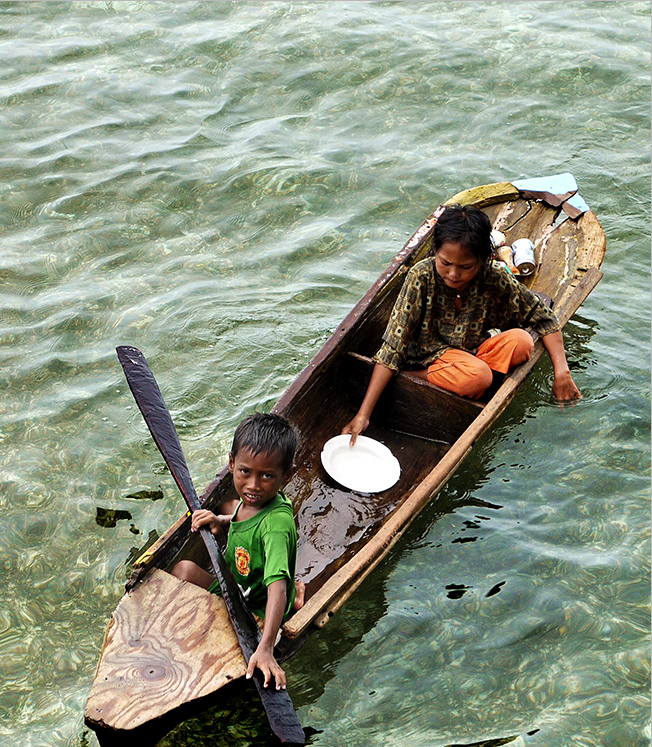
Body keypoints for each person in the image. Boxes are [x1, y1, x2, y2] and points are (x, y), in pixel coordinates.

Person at [343, 203, 581, 445]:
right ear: (435, 251)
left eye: (465, 267)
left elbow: (543, 317)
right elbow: (393, 346)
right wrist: (363, 415)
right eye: (445, 263)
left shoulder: (493, 277)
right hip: (425, 359)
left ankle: (467, 378)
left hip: (469, 355)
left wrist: (561, 372)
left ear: (483, 260)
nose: (454, 274)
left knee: (521, 341)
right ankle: (410, 376)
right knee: (478, 377)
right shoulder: (421, 277)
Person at [172, 412, 305, 690]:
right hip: (235, 587)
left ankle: (294, 600)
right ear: (231, 463)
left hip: (256, 608)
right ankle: (296, 594)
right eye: (245, 472)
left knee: (280, 594)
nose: (254, 485)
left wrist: (266, 647)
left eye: (267, 476)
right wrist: (220, 521)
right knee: (183, 569)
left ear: (286, 475)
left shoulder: (276, 526)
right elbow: (242, 517)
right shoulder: (251, 501)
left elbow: (276, 589)